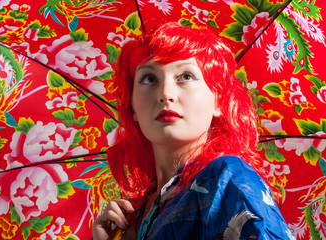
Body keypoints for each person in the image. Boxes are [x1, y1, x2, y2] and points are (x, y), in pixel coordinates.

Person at [92, 22, 294, 239]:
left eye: (186, 76)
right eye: (149, 79)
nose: (165, 94)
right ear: (132, 107)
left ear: (218, 101)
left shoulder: (227, 177)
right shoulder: (134, 215)